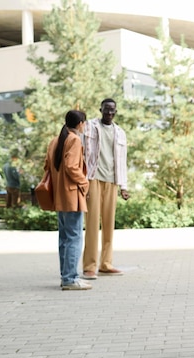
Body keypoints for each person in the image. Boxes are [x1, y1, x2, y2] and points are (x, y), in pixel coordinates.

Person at [82, 98, 130, 279]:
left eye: (112, 110)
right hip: (93, 179)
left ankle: (106, 263)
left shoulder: (120, 133)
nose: (109, 113)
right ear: (100, 109)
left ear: (115, 112)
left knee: (109, 224)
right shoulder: (89, 127)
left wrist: (124, 186)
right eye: (106, 109)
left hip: (112, 181)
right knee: (92, 223)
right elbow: (81, 152)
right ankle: (89, 266)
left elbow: (122, 161)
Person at [44, 110, 92, 290]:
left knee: (64, 237)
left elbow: (47, 166)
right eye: (84, 123)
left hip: (59, 195)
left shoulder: (55, 141)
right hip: (72, 196)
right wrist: (84, 182)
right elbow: (72, 166)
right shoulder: (74, 140)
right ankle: (70, 279)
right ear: (80, 123)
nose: (85, 126)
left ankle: (66, 276)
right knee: (74, 237)